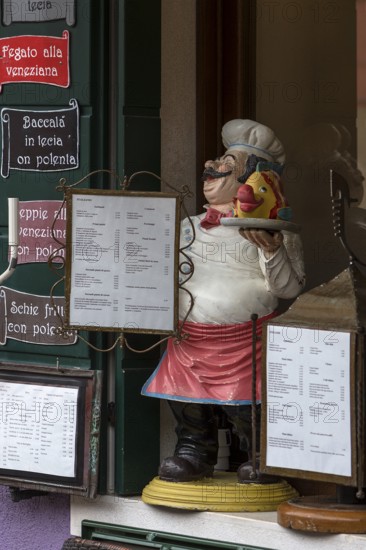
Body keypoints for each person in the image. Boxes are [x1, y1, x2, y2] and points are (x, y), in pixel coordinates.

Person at [142, 119, 305, 483]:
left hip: (245, 340)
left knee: (248, 404)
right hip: (191, 338)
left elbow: (288, 289)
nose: (212, 168)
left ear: (253, 179)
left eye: (228, 164)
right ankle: (193, 452)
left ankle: (262, 454)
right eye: (215, 163)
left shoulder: (276, 230)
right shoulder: (188, 227)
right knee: (188, 403)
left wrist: (272, 250)